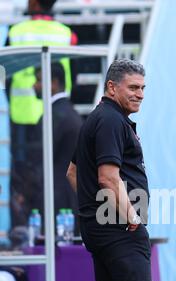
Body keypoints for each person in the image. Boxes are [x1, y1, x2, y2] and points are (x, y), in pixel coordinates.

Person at [61, 59, 154, 281]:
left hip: (102, 226)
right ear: (112, 87)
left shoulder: (99, 119)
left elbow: (73, 172)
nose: (140, 94)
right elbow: (107, 178)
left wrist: (91, 211)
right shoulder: (111, 120)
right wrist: (130, 218)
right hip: (118, 229)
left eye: (143, 88)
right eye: (133, 87)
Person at [8, 0, 77, 227]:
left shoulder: (16, 31)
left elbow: (6, 74)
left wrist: (13, 100)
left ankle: (22, 231)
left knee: (22, 177)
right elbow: (73, 74)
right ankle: (48, 228)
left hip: (23, 114)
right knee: (55, 173)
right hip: (56, 114)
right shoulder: (66, 34)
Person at [34, 63, 82, 229]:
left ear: (53, 83)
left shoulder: (54, 116)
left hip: (55, 199)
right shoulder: (71, 113)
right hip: (70, 199)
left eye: (38, 80)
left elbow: (42, 158)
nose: (34, 85)